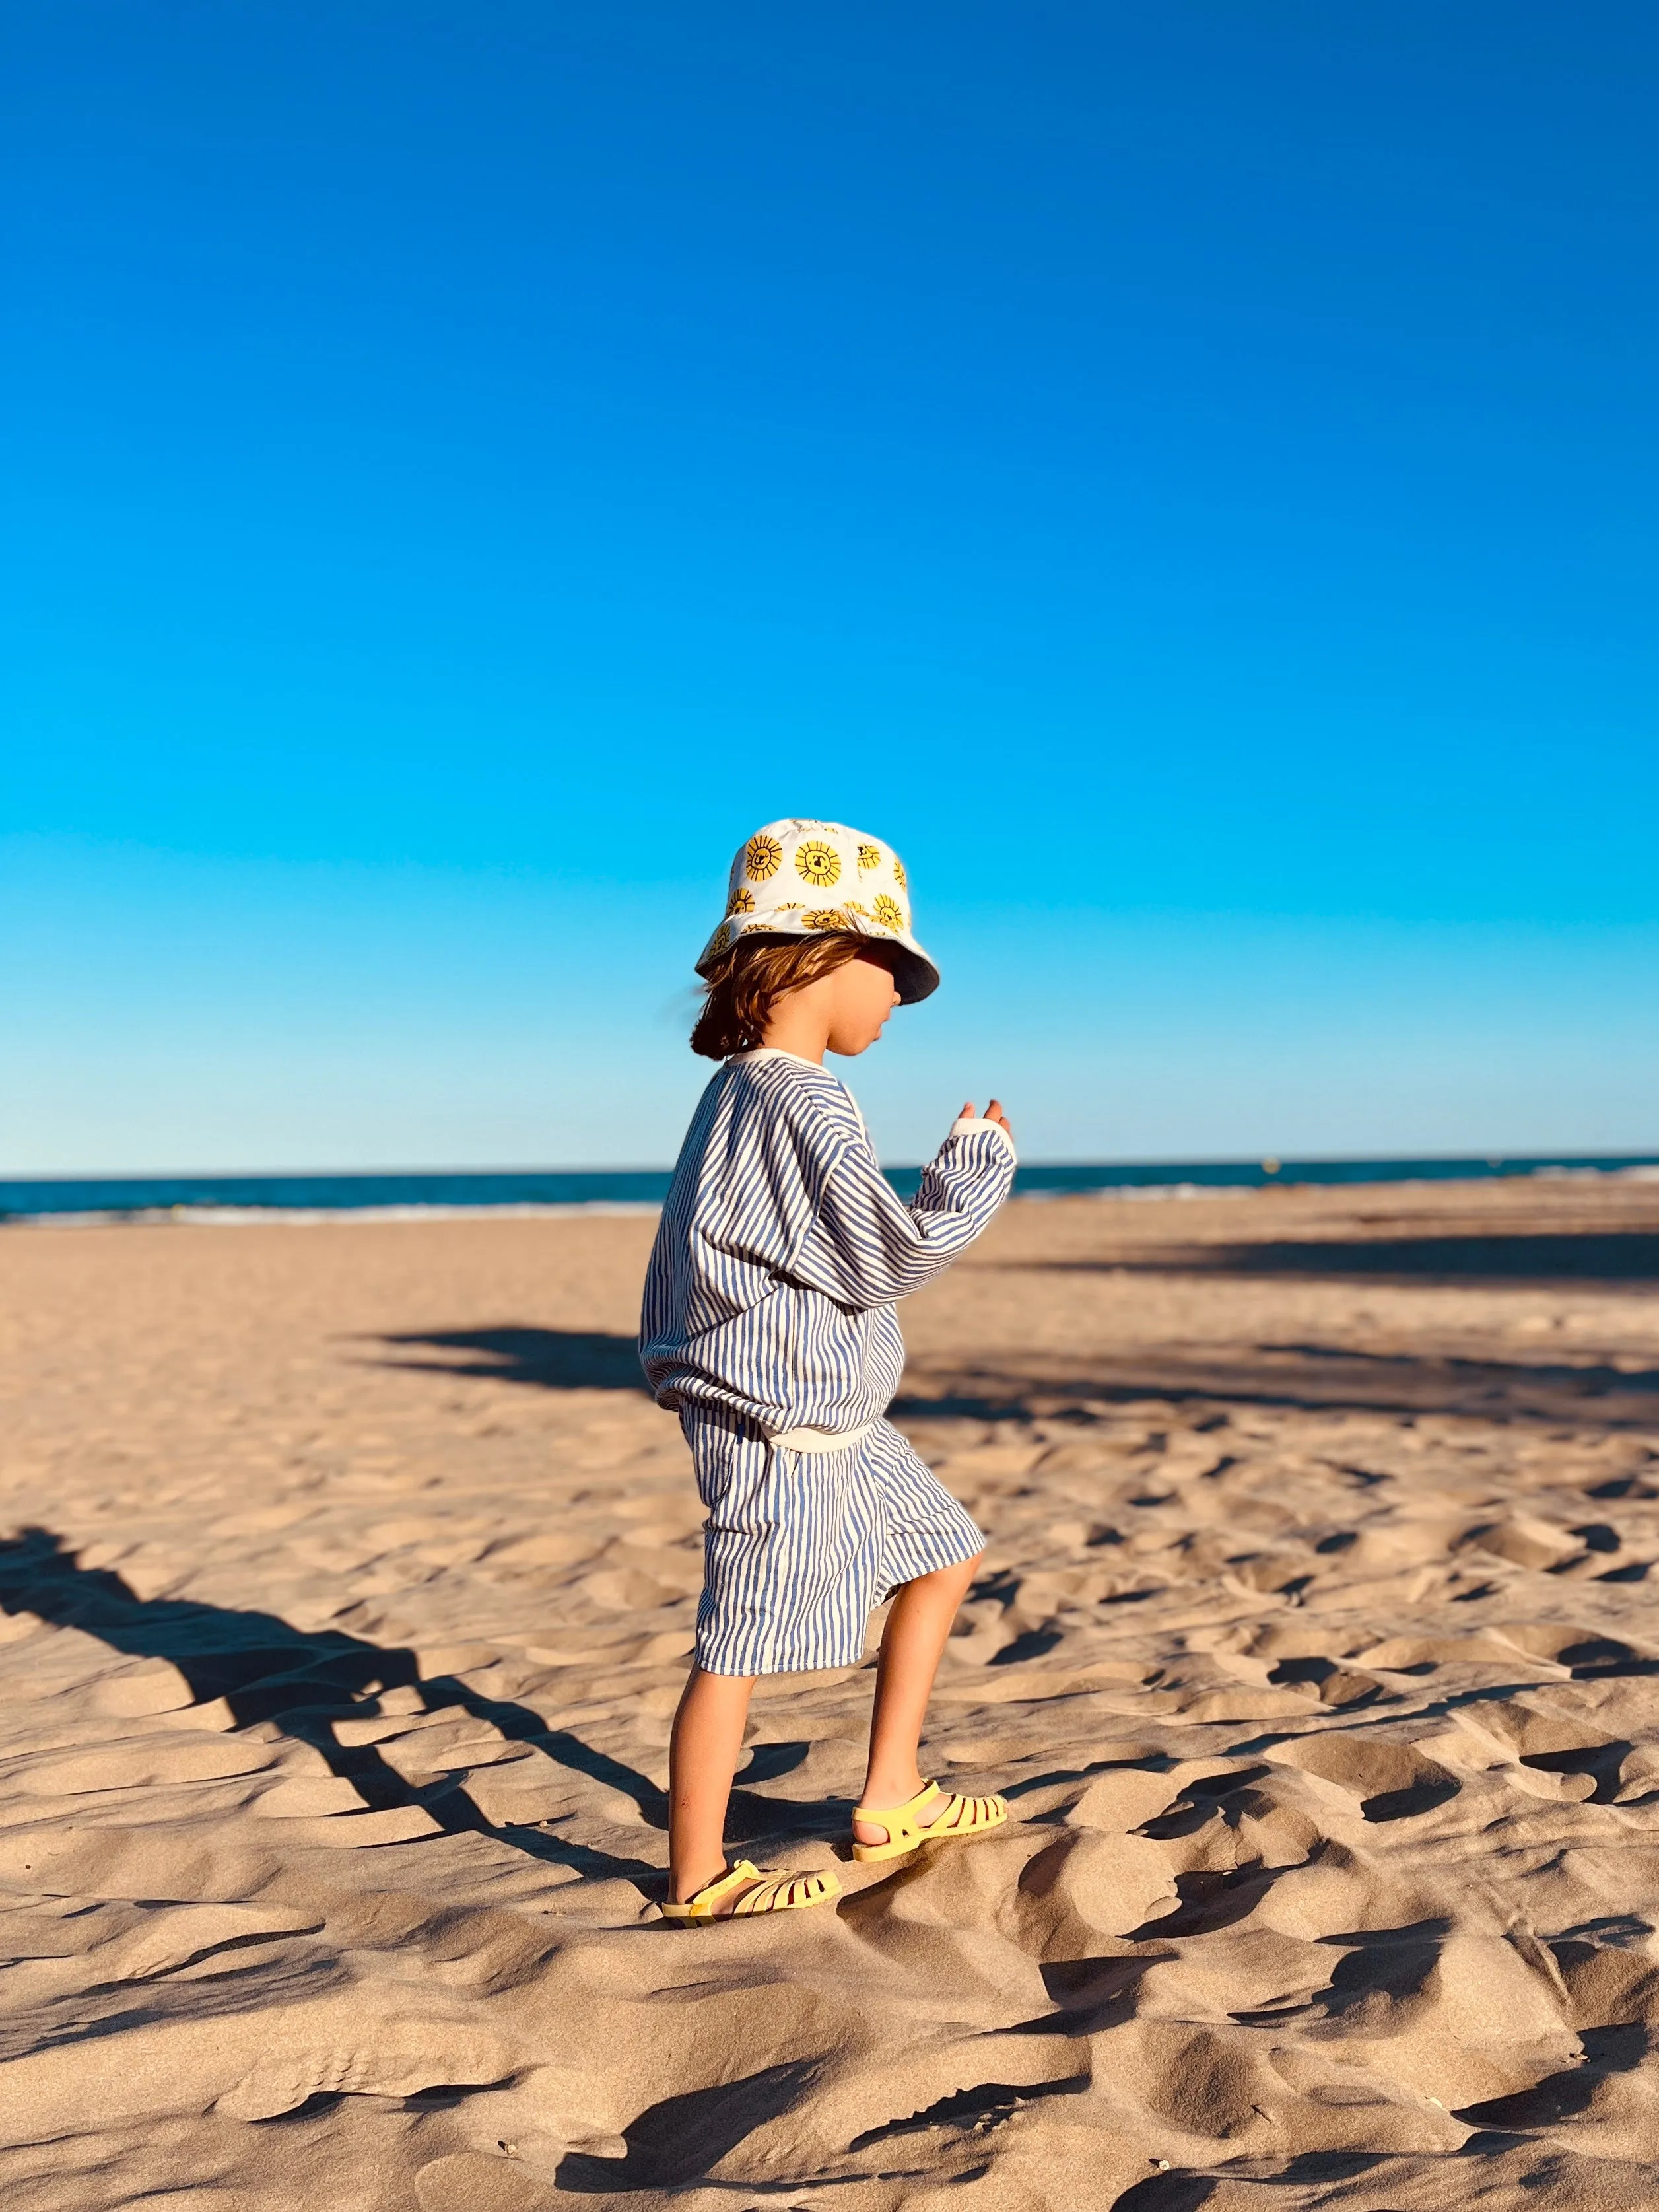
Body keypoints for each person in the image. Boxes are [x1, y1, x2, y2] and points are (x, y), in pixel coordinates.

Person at [638, 818, 1017, 1922]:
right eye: (890, 966)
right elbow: (886, 1252)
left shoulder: (745, 1095)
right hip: (782, 1427)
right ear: (820, 958)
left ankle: (892, 1791)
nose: (899, 993)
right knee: (738, 1639)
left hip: (838, 1419)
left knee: (944, 1553)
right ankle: (698, 1876)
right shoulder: (794, 1098)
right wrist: (973, 1173)